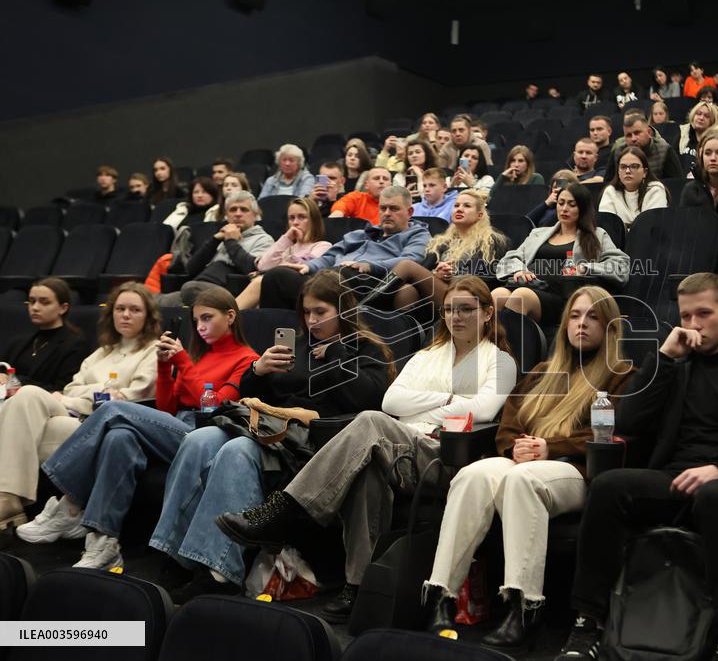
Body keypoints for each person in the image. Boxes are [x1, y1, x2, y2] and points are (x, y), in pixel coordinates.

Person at [217, 275, 517, 622]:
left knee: (369, 421)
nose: (456, 317)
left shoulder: (500, 361)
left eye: (466, 309)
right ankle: (358, 587)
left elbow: (482, 410)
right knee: (367, 472)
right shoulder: (426, 356)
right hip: (400, 447)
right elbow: (393, 401)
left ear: (487, 313)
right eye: (449, 309)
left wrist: (423, 406)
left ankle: (283, 510)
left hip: (446, 455)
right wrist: (451, 400)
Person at [554, 272, 718, 661]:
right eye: (686, 316)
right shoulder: (675, 365)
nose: (694, 324)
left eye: (704, 314)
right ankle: (588, 623)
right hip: (673, 477)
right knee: (609, 486)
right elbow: (628, 421)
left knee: (715, 495)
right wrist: (664, 358)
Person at [150, 271, 394, 601]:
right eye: (306, 312)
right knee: (199, 440)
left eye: (320, 312)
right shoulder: (295, 346)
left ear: (344, 310)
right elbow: (257, 395)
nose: (312, 321)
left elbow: (369, 399)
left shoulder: (365, 349)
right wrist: (258, 371)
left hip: (318, 439)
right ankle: (174, 555)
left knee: (237, 450)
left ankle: (219, 570)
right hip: (268, 425)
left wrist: (335, 354)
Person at [424, 286, 636, 651]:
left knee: (523, 479)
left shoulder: (623, 376)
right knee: (472, 475)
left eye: (593, 317)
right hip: (525, 462)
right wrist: (516, 447)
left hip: (578, 469)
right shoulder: (541, 372)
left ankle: (523, 608)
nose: (581, 324)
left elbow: (614, 435)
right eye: (574, 315)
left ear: (610, 326)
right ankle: (442, 596)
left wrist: (550, 448)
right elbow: (509, 424)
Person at [35, 288, 257, 570]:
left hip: (204, 437)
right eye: (196, 320)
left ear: (230, 316)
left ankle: (69, 500)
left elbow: (215, 406)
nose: (200, 327)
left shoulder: (246, 359)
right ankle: (103, 542)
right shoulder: (200, 356)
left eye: (207, 318)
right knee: (120, 437)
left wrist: (182, 362)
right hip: (176, 424)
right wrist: (164, 368)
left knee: (112, 409)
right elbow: (166, 407)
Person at [0, 283, 158, 533]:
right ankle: (4, 500)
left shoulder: (153, 352)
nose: (126, 315)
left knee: (15, 411)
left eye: (135, 310)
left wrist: (81, 395)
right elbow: (71, 388)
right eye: (120, 309)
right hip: (73, 416)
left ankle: (2, 499)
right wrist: (98, 391)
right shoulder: (103, 352)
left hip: (99, 426)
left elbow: (129, 399)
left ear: (148, 316)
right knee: (18, 404)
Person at [259, 187, 429, 310]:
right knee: (276, 276)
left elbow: (411, 260)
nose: (387, 213)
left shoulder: (418, 234)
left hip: (369, 283)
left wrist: (370, 266)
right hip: (331, 277)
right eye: (383, 208)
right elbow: (331, 255)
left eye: (394, 208)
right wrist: (309, 266)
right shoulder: (360, 234)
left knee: (344, 272)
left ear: (409, 212)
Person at [493, 183, 629, 323]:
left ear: (583, 208)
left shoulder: (597, 235)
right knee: (496, 295)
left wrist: (585, 268)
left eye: (572, 204)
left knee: (521, 296)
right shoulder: (538, 233)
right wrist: (519, 270)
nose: (564, 209)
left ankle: (507, 338)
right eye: (561, 203)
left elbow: (620, 266)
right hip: (532, 284)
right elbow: (510, 258)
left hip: (565, 295)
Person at [387, 190, 508, 312]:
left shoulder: (490, 241)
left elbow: (485, 280)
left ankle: (374, 300)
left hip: (467, 295)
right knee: (406, 290)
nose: (459, 209)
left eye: (467, 206)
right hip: (438, 294)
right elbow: (423, 271)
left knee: (407, 266)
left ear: (479, 215)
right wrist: (436, 274)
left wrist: (451, 276)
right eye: (456, 205)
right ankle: (402, 323)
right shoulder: (441, 242)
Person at [157, 191, 274, 308]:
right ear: (227, 215)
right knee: (153, 301)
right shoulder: (222, 238)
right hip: (198, 288)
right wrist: (214, 240)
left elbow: (252, 269)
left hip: (229, 293)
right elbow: (191, 269)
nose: (238, 214)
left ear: (255, 215)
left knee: (190, 288)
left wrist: (230, 241)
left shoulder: (264, 239)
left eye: (244, 210)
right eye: (233, 210)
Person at [0, 278, 87, 397]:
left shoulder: (74, 346)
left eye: (45, 302)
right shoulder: (19, 342)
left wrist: (17, 381)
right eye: (32, 301)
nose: (35, 307)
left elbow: (64, 389)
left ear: (63, 308)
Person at [235, 197, 332, 310]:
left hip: (302, 293)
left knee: (259, 282)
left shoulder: (323, 245)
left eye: (302, 217)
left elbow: (303, 268)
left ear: (314, 221)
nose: (295, 222)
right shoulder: (285, 245)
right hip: (276, 294)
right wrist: (287, 238)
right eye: (291, 218)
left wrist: (269, 272)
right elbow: (263, 266)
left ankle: (228, 316)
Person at [598, 146, 667, 227]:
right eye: (623, 167)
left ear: (645, 172)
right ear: (618, 171)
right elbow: (607, 226)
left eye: (634, 166)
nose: (627, 171)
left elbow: (652, 225)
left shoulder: (655, 190)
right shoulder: (610, 191)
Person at [607, 112, 684, 181]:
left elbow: (676, 182)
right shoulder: (618, 152)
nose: (633, 139)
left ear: (649, 132)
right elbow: (608, 183)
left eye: (637, 133)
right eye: (629, 135)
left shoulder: (664, 150)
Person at [328, 166, 392, 225]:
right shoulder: (356, 197)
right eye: (376, 178)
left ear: (391, 185)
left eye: (385, 179)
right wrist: (335, 217)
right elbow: (340, 207)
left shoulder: (396, 202)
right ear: (366, 185)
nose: (381, 181)